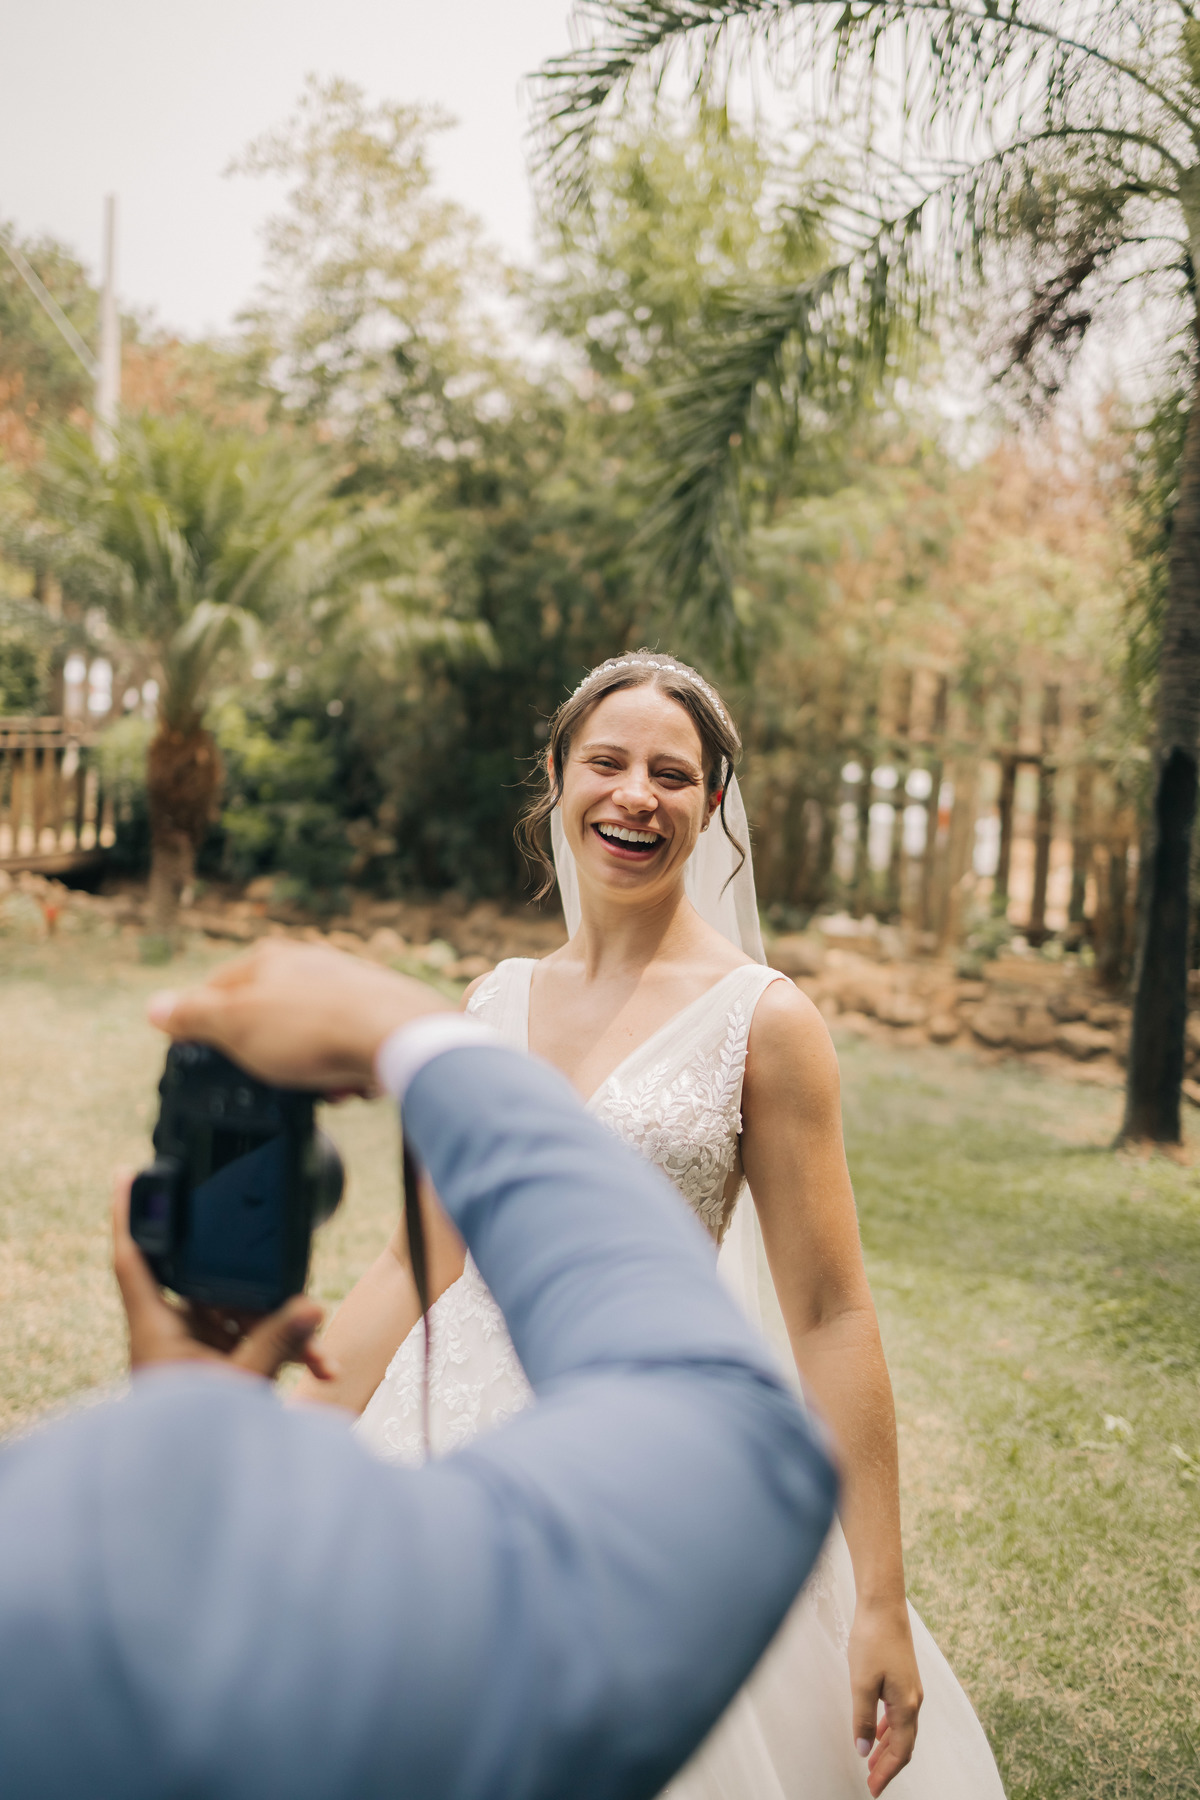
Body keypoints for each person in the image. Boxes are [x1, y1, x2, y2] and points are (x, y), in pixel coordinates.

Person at [302, 652, 1007, 1799]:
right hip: (444, 1452)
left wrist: (880, 1598)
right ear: (557, 776)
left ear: (713, 804)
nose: (637, 795)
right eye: (608, 763)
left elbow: (830, 1313)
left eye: (672, 776)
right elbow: (409, 1263)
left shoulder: (764, 1023)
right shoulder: (491, 1004)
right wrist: (282, 1437)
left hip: (642, 1477)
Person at [0, 942, 838, 1800]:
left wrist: (205, 1433)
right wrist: (420, 1036)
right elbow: (724, 1426)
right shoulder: (444, 1623)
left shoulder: (48, 1576)